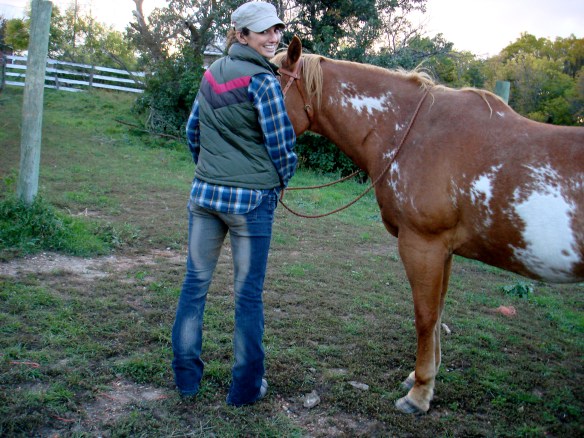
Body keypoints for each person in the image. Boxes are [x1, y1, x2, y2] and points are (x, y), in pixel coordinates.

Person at [171, 1, 297, 407]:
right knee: (247, 296)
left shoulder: (211, 74)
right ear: (241, 35)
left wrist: (208, 170)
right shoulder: (264, 82)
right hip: (250, 204)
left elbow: (192, 131)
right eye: (264, 31)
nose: (274, 37)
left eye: (276, 30)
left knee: (194, 286)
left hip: (204, 197)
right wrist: (282, 181)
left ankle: (186, 381)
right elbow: (282, 145)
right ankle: (244, 390)